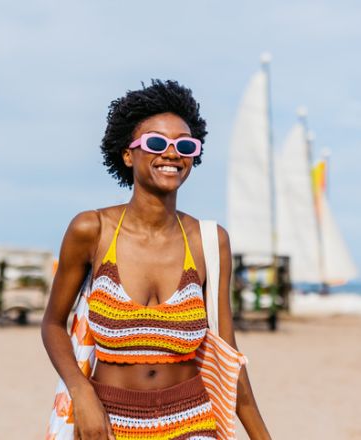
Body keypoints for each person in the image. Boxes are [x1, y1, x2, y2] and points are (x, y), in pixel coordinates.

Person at [41, 80, 271, 440]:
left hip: (193, 421)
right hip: (106, 422)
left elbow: (230, 359)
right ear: (128, 154)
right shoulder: (93, 230)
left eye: (184, 145)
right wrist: (81, 391)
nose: (172, 153)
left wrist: (261, 435)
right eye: (156, 143)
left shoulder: (209, 241)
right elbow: (53, 324)